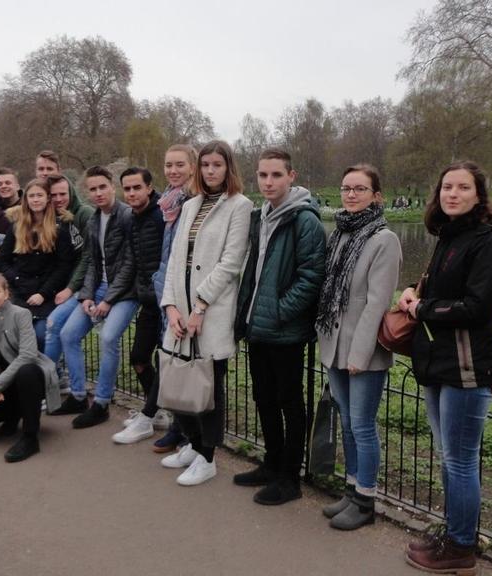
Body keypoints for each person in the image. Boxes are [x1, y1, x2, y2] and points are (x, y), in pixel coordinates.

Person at [399, 161, 492, 574]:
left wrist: (422, 307)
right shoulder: (449, 237)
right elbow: (441, 288)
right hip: (438, 363)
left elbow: (479, 308)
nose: (452, 193)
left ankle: (462, 547)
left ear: (478, 196)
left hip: (467, 367)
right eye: (446, 186)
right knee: (450, 457)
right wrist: (415, 290)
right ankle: (455, 529)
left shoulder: (488, 243)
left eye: (462, 188)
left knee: (461, 460)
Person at [233, 148, 326, 505]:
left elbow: (311, 277)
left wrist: (278, 312)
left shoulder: (305, 221)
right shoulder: (262, 216)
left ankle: (290, 476)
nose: (268, 182)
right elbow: (253, 273)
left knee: (290, 401)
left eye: (276, 175)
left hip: (285, 330)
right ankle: (271, 463)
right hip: (259, 325)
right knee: (264, 397)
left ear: (292, 176)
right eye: (262, 175)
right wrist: (248, 314)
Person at [160, 140, 253, 486]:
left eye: (217, 165)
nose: (210, 171)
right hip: (180, 310)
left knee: (208, 384)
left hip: (210, 310)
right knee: (179, 378)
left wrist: (199, 307)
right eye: (205, 165)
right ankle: (193, 444)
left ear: (229, 168)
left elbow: (230, 263)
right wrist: (170, 306)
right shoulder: (189, 205)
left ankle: (208, 456)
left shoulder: (239, 206)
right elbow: (174, 261)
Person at [315, 164, 402, 529]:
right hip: (335, 346)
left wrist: (359, 356)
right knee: (347, 424)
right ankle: (351, 491)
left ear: (376, 196)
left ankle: (366, 500)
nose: (351, 195)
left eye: (360, 189)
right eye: (346, 188)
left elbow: (376, 303)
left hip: (361, 354)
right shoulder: (339, 235)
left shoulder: (384, 239)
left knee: (362, 425)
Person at [52, 166, 138, 429]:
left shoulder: (126, 216)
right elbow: (91, 262)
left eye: (102, 187)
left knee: (109, 337)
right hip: (98, 289)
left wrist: (108, 300)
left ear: (113, 187)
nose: (98, 193)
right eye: (93, 189)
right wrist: (87, 295)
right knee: (67, 334)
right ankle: (78, 396)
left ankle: (101, 403)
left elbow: (129, 264)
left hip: (124, 293)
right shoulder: (93, 220)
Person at [0, 270, 58, 463]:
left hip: (29, 379)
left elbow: (28, 355)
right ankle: (11, 415)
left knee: (27, 371)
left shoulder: (21, 314)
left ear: (6, 293)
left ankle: (30, 436)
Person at [112, 167, 166, 444]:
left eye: (137, 188)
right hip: (147, 299)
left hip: (166, 302)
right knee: (139, 358)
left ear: (149, 188)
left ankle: (147, 417)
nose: (131, 193)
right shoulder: (133, 218)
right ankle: (155, 411)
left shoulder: (160, 216)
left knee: (165, 361)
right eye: (127, 189)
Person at [149, 144, 197, 453]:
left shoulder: (192, 203)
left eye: (180, 165)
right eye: (168, 165)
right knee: (169, 361)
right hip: (164, 288)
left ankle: (191, 433)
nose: (173, 170)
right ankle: (179, 426)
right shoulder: (169, 202)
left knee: (187, 365)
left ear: (193, 167)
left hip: (184, 292)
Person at [0, 178, 76, 350]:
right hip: (19, 291)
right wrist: (16, 279)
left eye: (39, 195)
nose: (35, 199)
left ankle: (48, 371)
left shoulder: (59, 229)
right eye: (31, 196)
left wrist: (43, 293)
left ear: (48, 198)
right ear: (25, 200)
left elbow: (64, 266)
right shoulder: (16, 228)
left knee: (41, 334)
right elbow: (3, 260)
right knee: (16, 335)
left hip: (46, 293)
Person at [42, 172, 94, 386]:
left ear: (70, 192)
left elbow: (89, 256)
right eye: (53, 195)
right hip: (65, 282)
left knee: (57, 327)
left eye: (62, 193)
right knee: (55, 329)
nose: (58, 199)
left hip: (86, 285)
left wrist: (71, 288)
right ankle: (51, 385)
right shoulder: (54, 218)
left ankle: (50, 385)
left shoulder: (84, 214)